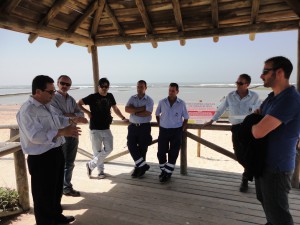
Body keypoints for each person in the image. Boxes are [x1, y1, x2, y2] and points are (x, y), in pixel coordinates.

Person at [16, 75, 87, 225]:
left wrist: (72, 120)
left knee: (55, 191)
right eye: (51, 91)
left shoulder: (47, 104)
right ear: (38, 92)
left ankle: (56, 217)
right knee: (43, 195)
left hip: (55, 151)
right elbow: (35, 136)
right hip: (41, 157)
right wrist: (62, 132)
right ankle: (45, 222)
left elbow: (58, 120)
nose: (54, 94)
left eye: (54, 91)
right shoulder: (27, 110)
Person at [252, 56, 300, 225]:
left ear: (279, 73)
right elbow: (259, 114)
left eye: (265, 71)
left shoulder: (290, 99)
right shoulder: (273, 97)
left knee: (280, 215)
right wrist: (257, 119)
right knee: (266, 202)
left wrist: (247, 127)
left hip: (277, 167)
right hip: (264, 163)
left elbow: (258, 131)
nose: (261, 76)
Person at [203, 74, 261, 192]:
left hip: (249, 128)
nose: (237, 85)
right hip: (236, 128)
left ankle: (245, 178)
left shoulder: (254, 96)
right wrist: (212, 120)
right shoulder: (231, 95)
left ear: (247, 85)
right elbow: (221, 108)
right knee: (239, 154)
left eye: (240, 83)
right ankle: (251, 172)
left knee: (249, 153)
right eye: (237, 82)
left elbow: (259, 112)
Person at [78, 77, 127, 179]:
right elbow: (79, 104)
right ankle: (100, 172)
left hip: (106, 128)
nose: (105, 88)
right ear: (98, 87)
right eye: (102, 86)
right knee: (97, 152)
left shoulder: (110, 96)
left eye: (106, 86)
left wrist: (123, 117)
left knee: (109, 148)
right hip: (95, 129)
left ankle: (90, 165)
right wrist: (87, 113)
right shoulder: (93, 97)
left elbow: (115, 108)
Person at [51, 75, 84, 197]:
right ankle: (58, 189)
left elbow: (81, 114)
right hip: (62, 134)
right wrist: (74, 116)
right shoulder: (53, 98)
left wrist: (68, 115)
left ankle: (66, 187)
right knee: (60, 163)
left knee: (70, 162)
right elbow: (57, 116)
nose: (65, 86)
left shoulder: (71, 99)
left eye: (68, 84)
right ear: (58, 83)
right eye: (63, 83)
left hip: (74, 133)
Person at [155, 83, 189, 183]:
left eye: (173, 91)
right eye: (169, 90)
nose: (171, 92)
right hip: (164, 130)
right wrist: (160, 124)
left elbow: (186, 117)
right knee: (161, 152)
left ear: (177, 92)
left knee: (173, 153)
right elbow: (157, 114)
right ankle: (164, 171)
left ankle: (167, 174)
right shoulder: (162, 102)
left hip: (176, 131)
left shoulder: (181, 103)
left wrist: (182, 128)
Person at [125, 80, 154, 178]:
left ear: (145, 88)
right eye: (138, 86)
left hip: (144, 127)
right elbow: (126, 109)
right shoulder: (132, 98)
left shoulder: (149, 100)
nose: (139, 88)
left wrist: (134, 111)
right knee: (130, 145)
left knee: (143, 148)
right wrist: (141, 108)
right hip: (133, 126)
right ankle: (142, 165)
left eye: (141, 87)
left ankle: (139, 169)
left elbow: (148, 113)